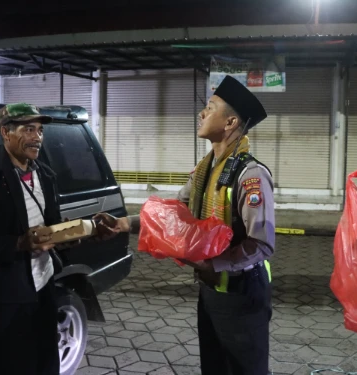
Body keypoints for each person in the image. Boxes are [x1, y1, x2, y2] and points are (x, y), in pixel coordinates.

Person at [96, 75, 276, 375]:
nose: (202, 113)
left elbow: (262, 244)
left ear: (230, 123)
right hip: (210, 290)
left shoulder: (251, 175)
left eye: (210, 107)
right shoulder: (204, 170)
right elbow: (174, 217)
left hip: (242, 294)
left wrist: (214, 264)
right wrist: (123, 224)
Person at [0, 103, 116, 375]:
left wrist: (67, 234)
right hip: (8, 293)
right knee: (16, 364)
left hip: (44, 282)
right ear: (5, 132)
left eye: (40, 130)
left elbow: (50, 225)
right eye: (28, 129)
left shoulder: (44, 173)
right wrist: (20, 243)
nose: (38, 137)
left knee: (47, 359)